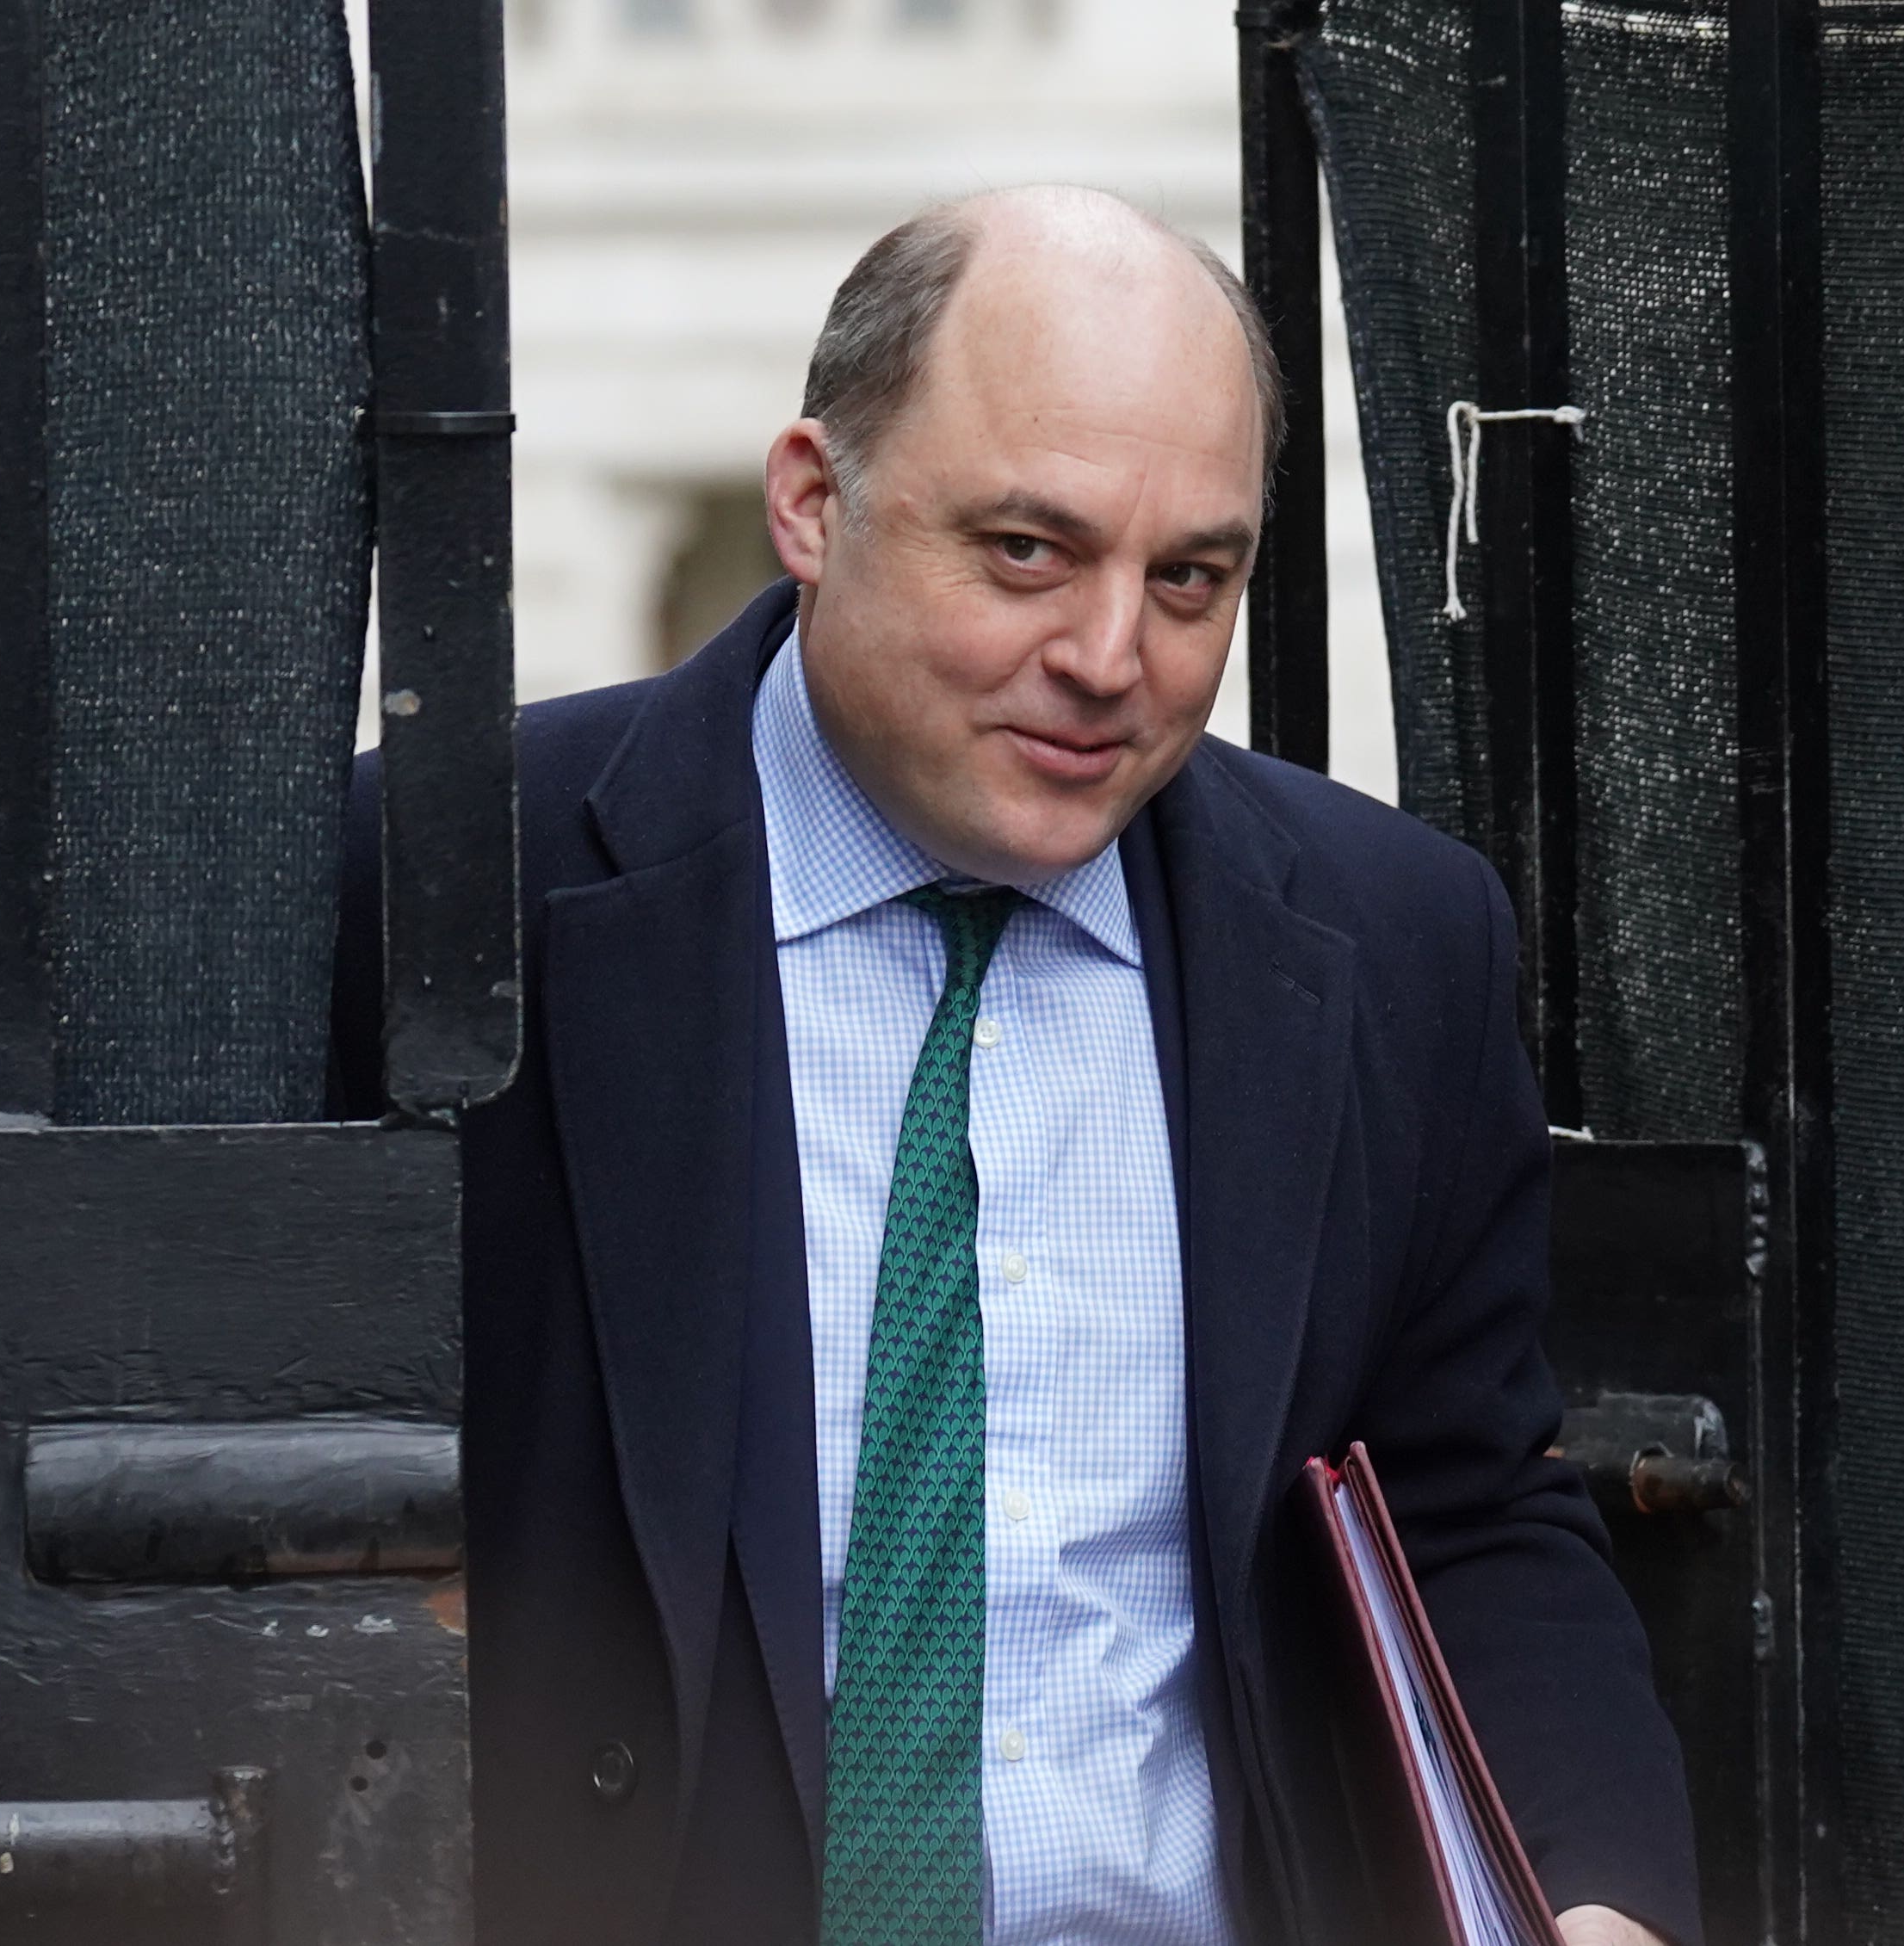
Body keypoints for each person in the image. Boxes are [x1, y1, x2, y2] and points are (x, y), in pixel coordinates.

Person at [329, 184, 1696, 1946]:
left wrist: (1590, 1901)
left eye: (1189, 578)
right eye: (1028, 552)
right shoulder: (446, 885)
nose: (1109, 661)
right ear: (815, 505)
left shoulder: (1392, 947)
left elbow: (1466, 1510)